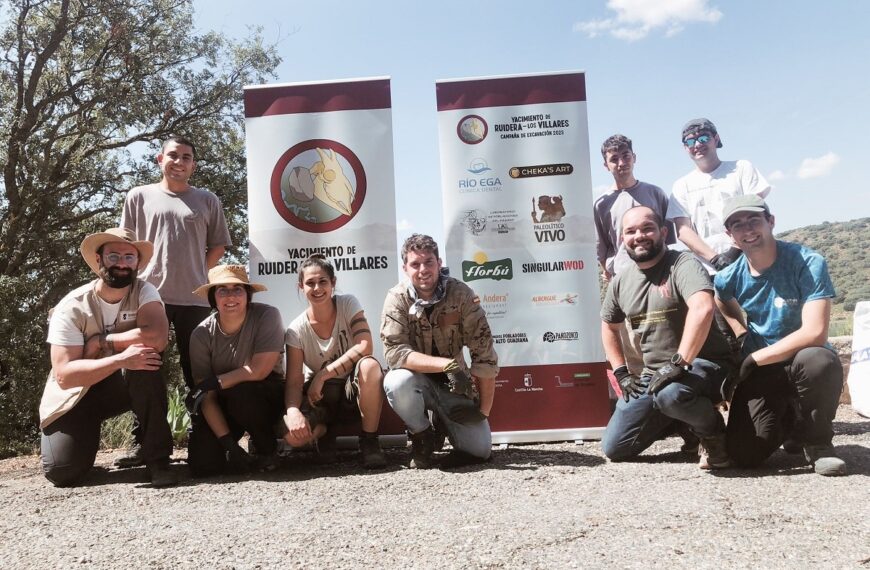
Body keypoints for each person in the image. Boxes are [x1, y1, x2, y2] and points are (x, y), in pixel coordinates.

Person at [118, 134, 232, 468]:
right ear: (159, 159)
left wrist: (198, 273)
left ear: (193, 165)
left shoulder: (207, 200)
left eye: (186, 157)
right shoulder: (139, 197)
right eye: (173, 155)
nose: (179, 162)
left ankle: (205, 438)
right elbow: (126, 247)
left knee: (196, 372)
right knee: (144, 368)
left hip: (195, 300)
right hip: (148, 299)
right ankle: (147, 444)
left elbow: (218, 247)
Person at [714, 195, 846, 476]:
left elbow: (815, 332)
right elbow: (721, 298)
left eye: (754, 220)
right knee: (745, 455)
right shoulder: (729, 276)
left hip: (801, 358)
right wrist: (740, 328)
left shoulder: (807, 262)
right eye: (737, 225)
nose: (747, 229)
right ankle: (791, 420)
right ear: (730, 235)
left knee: (818, 361)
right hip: (765, 368)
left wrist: (753, 357)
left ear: (770, 221)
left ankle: (818, 442)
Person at [39, 228, 175, 487]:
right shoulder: (72, 306)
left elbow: (157, 338)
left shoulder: (145, 291)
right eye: (114, 256)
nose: (122, 264)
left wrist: (101, 342)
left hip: (119, 385)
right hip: (76, 396)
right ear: (99, 260)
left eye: (129, 257)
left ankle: (158, 460)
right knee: (62, 472)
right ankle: (83, 444)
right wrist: (120, 359)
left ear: (137, 263)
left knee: (145, 359)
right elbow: (65, 376)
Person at [600, 207, 734, 469]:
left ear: (662, 232)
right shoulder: (621, 281)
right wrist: (621, 373)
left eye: (647, 228)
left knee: (671, 395)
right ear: (622, 239)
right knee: (615, 447)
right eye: (631, 231)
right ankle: (683, 421)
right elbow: (608, 327)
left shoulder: (682, 264)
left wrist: (679, 362)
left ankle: (712, 432)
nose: (639, 235)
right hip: (654, 374)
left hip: (702, 364)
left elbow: (702, 307)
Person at [381, 234, 498, 469]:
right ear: (405, 268)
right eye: (415, 264)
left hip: (455, 386)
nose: (423, 270)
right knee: (396, 381)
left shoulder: (461, 294)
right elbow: (395, 352)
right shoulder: (396, 299)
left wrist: (483, 412)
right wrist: (446, 365)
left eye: (429, 262)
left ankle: (444, 422)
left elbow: (483, 353)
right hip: (417, 382)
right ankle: (422, 435)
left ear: (439, 263)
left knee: (480, 451)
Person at [282, 255, 387, 468]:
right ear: (300, 286)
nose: (317, 288)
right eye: (310, 283)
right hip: (323, 398)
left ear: (333, 283)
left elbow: (365, 346)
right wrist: (293, 411)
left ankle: (369, 441)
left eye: (323, 281)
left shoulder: (348, 303)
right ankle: (324, 432)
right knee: (292, 437)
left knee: (369, 365)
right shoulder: (295, 330)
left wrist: (323, 374)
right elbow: (294, 380)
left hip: (352, 391)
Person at [186, 265, 286, 476]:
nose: (231, 296)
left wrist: (214, 382)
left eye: (237, 289)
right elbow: (207, 397)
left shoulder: (267, 316)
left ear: (248, 295)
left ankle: (267, 450)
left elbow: (258, 370)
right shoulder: (201, 335)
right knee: (204, 465)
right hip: (223, 403)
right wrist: (229, 445)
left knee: (243, 393)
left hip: (266, 396)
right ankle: (237, 452)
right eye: (223, 289)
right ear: (213, 298)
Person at [667, 118, 771, 274]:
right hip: (710, 271)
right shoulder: (680, 186)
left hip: (753, 261)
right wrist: (716, 259)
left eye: (703, 138)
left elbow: (755, 210)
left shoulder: (742, 168)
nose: (697, 145)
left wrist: (734, 251)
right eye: (690, 142)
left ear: (716, 139)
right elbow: (683, 231)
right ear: (685, 148)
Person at [593, 134, 674, 282]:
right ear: (606, 165)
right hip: (623, 277)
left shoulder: (656, 193)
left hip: (662, 274)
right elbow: (602, 249)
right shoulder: (601, 204)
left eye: (626, 156)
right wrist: (609, 272)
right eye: (614, 159)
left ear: (634, 157)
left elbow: (667, 239)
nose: (621, 163)